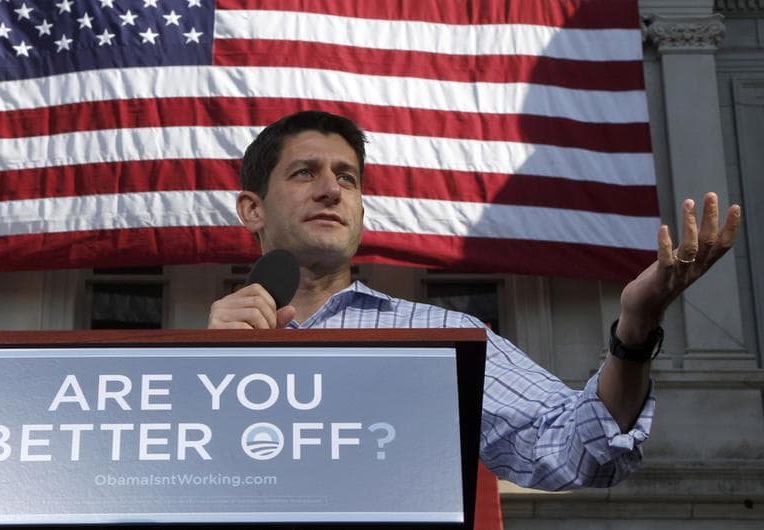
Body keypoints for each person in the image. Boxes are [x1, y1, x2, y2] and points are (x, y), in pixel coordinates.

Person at [206, 110, 742, 491]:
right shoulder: (191, 352)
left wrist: (636, 327)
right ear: (252, 210)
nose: (332, 190)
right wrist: (201, 369)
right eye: (305, 172)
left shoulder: (441, 338)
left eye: (347, 177)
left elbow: (580, 452)